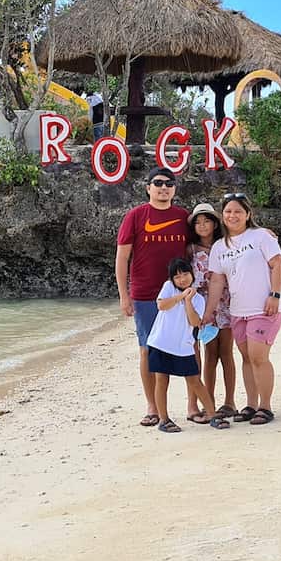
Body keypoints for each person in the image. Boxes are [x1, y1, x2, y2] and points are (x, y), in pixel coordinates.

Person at [115, 167, 190, 427]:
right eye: (157, 182)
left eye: (169, 183)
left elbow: (207, 238)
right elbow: (122, 257)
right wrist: (124, 296)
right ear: (148, 187)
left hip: (179, 295)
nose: (163, 187)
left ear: (174, 189)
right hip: (145, 294)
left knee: (187, 348)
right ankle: (153, 406)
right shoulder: (135, 216)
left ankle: (193, 405)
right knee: (148, 350)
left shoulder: (183, 217)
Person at [202, 193, 281, 426]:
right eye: (228, 211)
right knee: (247, 358)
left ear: (248, 214)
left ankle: (265, 406)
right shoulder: (219, 247)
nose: (233, 215)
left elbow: (277, 264)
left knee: (259, 357)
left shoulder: (260, 236)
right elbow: (217, 281)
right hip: (238, 310)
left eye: (238, 211)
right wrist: (209, 312)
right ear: (222, 215)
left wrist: (275, 295)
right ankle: (251, 404)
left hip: (264, 307)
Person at [147, 258, 231, 433]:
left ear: (192, 274)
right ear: (172, 279)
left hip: (183, 346)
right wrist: (181, 296)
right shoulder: (168, 287)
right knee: (161, 380)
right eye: (177, 277)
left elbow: (194, 322)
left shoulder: (198, 299)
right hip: (161, 343)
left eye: (185, 274)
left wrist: (188, 302)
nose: (182, 279)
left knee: (194, 380)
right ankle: (164, 419)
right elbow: (162, 305)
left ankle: (212, 415)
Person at [187, 202, 238, 420]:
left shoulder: (226, 244)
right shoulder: (190, 249)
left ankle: (230, 401)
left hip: (225, 302)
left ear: (215, 223)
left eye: (207, 220)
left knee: (226, 352)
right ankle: (209, 401)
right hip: (202, 306)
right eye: (198, 222)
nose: (202, 225)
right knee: (209, 355)